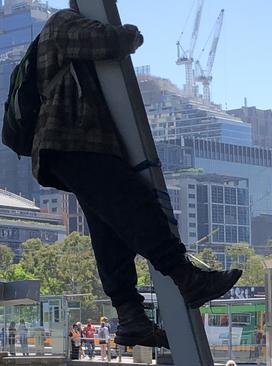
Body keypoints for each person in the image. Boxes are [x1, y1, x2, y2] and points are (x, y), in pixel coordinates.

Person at [31, 0, 242, 349]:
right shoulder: (62, 22)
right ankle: (185, 276)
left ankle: (131, 318)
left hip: (70, 146)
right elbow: (113, 43)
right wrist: (131, 34)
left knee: (109, 233)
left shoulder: (58, 29)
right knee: (135, 205)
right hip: (75, 139)